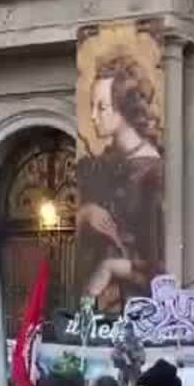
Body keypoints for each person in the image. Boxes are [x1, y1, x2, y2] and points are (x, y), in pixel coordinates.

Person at [75, 56, 165, 305]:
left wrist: (110, 267)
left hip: (137, 305)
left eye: (101, 107)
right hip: (99, 300)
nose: (93, 116)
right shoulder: (101, 164)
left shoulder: (152, 174)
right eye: (92, 106)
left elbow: (159, 267)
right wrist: (86, 213)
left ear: (125, 109)